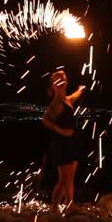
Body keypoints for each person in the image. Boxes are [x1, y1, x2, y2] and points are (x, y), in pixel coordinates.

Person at [42, 70, 85, 212]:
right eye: (57, 81)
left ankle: (61, 206)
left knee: (68, 179)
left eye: (63, 80)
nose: (61, 82)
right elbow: (45, 120)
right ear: (53, 85)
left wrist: (80, 89)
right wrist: (60, 131)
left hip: (72, 143)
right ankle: (64, 206)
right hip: (61, 144)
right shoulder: (56, 104)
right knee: (65, 179)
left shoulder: (67, 99)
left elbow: (75, 96)